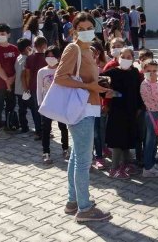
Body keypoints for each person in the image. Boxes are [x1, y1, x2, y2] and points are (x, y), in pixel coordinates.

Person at [54, 12, 112, 222]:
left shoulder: (86, 49)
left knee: (78, 157)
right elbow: (60, 78)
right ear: (74, 30)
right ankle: (84, 208)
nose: (87, 32)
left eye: (90, 28)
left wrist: (101, 83)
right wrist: (89, 86)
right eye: (82, 28)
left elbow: (84, 77)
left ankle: (73, 201)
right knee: (83, 160)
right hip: (80, 109)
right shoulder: (73, 48)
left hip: (88, 106)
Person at [102, 47, 144, 179]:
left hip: (131, 112)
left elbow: (138, 91)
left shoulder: (135, 72)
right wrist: (108, 95)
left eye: (129, 57)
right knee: (117, 141)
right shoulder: (112, 72)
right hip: (117, 111)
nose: (126, 59)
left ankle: (126, 164)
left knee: (128, 139)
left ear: (133, 59)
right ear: (119, 58)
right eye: (123, 57)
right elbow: (99, 83)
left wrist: (139, 108)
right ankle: (114, 168)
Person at [36, 46, 68, 165]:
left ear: (59, 57)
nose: (50, 58)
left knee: (63, 127)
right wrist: (40, 104)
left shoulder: (62, 70)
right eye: (48, 56)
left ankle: (65, 149)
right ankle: (46, 152)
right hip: (47, 104)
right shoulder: (42, 71)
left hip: (59, 104)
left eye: (53, 56)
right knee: (46, 129)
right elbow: (39, 89)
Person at [0, 23, 19, 139]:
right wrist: (7, 80)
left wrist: (12, 79)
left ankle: (9, 124)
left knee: (11, 105)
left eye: (2, 34)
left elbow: (18, 65)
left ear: (8, 34)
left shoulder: (14, 48)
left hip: (12, 83)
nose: (0, 36)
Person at [140, 60, 158, 178]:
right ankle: (147, 168)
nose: (152, 73)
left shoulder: (157, 82)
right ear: (143, 71)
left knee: (156, 140)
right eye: (148, 71)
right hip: (152, 114)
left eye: (154, 71)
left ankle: (151, 162)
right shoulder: (145, 84)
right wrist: (153, 82)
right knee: (150, 141)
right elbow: (156, 98)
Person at [23, 36, 47, 141]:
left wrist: (27, 86)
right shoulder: (48, 58)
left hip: (33, 86)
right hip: (46, 88)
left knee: (35, 110)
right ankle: (46, 131)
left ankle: (38, 132)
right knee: (46, 110)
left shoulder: (29, 58)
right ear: (44, 46)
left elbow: (27, 74)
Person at [14, 38, 33, 135]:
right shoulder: (26, 59)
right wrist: (27, 90)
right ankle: (24, 128)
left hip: (18, 89)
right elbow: (23, 76)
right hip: (24, 90)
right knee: (26, 109)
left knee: (22, 109)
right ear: (27, 48)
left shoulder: (19, 57)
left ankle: (24, 127)